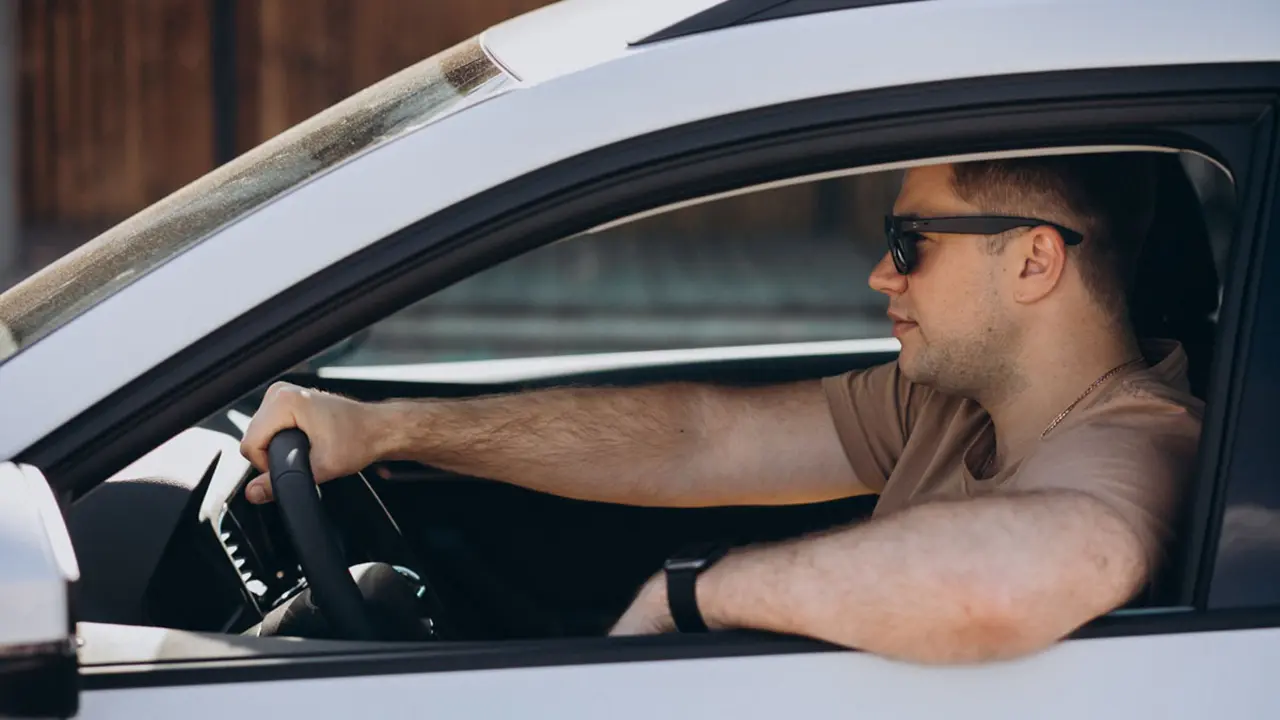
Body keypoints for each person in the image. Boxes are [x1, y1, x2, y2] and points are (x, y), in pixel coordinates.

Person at [239, 153, 1202, 664]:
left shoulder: (1143, 438)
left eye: (910, 243)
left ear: (1033, 260)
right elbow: (701, 439)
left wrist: (690, 595)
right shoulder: (945, 407)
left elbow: (1026, 573)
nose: (880, 272)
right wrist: (386, 429)